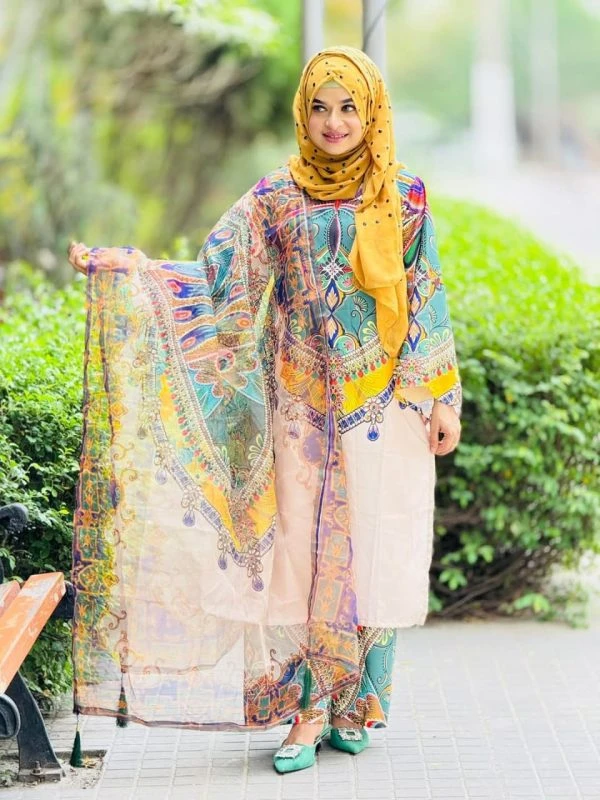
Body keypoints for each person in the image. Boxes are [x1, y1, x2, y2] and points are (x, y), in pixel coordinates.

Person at [68, 46, 461, 775]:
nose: (334, 122)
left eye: (349, 107)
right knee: (300, 559)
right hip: (298, 407)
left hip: (384, 408)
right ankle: (307, 712)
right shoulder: (275, 197)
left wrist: (442, 399)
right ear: (303, 114)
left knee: (372, 547)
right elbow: (216, 278)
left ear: (371, 112)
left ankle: (355, 705)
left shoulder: (404, 194)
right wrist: (133, 270)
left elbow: (425, 291)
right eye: (320, 107)